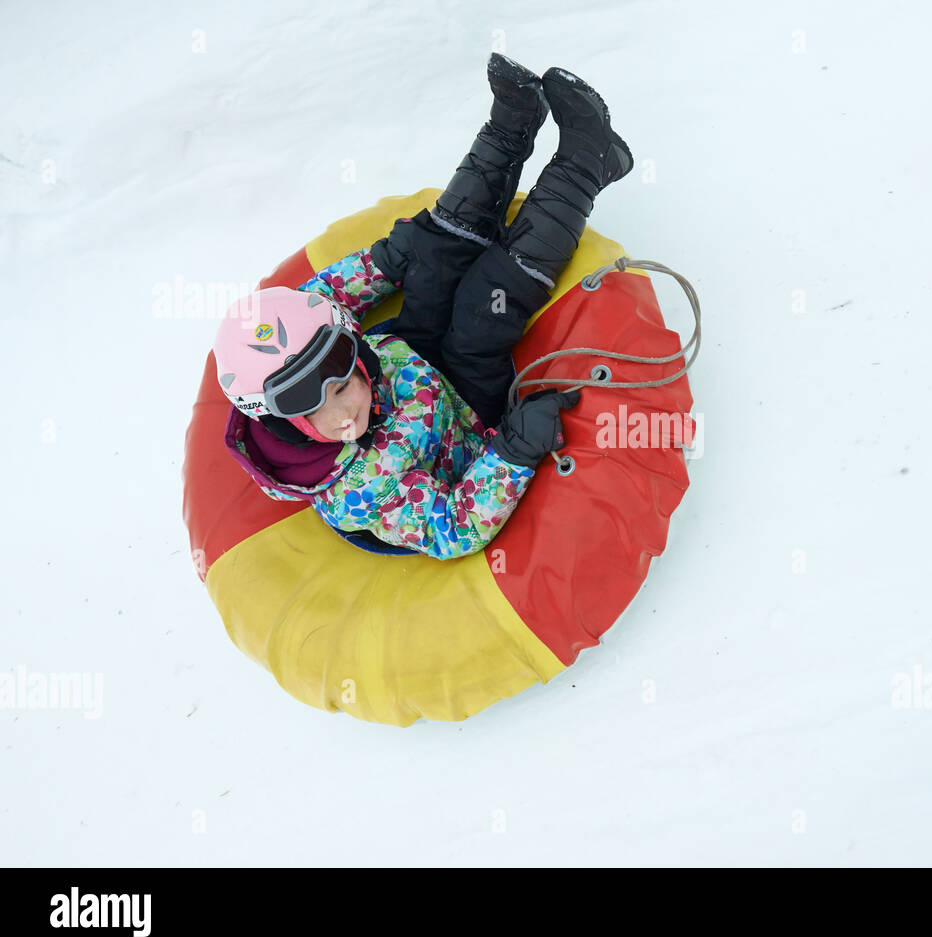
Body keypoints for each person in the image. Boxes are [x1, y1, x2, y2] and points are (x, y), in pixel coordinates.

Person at [213, 55, 632, 559]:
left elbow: (324, 295)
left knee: (432, 253)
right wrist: (514, 451)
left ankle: (512, 126)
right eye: (312, 406)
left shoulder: (311, 333)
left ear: (348, 346)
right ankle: (590, 162)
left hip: (407, 356)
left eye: (343, 379)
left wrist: (386, 261)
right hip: (468, 413)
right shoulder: (360, 493)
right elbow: (455, 527)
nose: (344, 410)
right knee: (484, 307)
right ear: (282, 420)